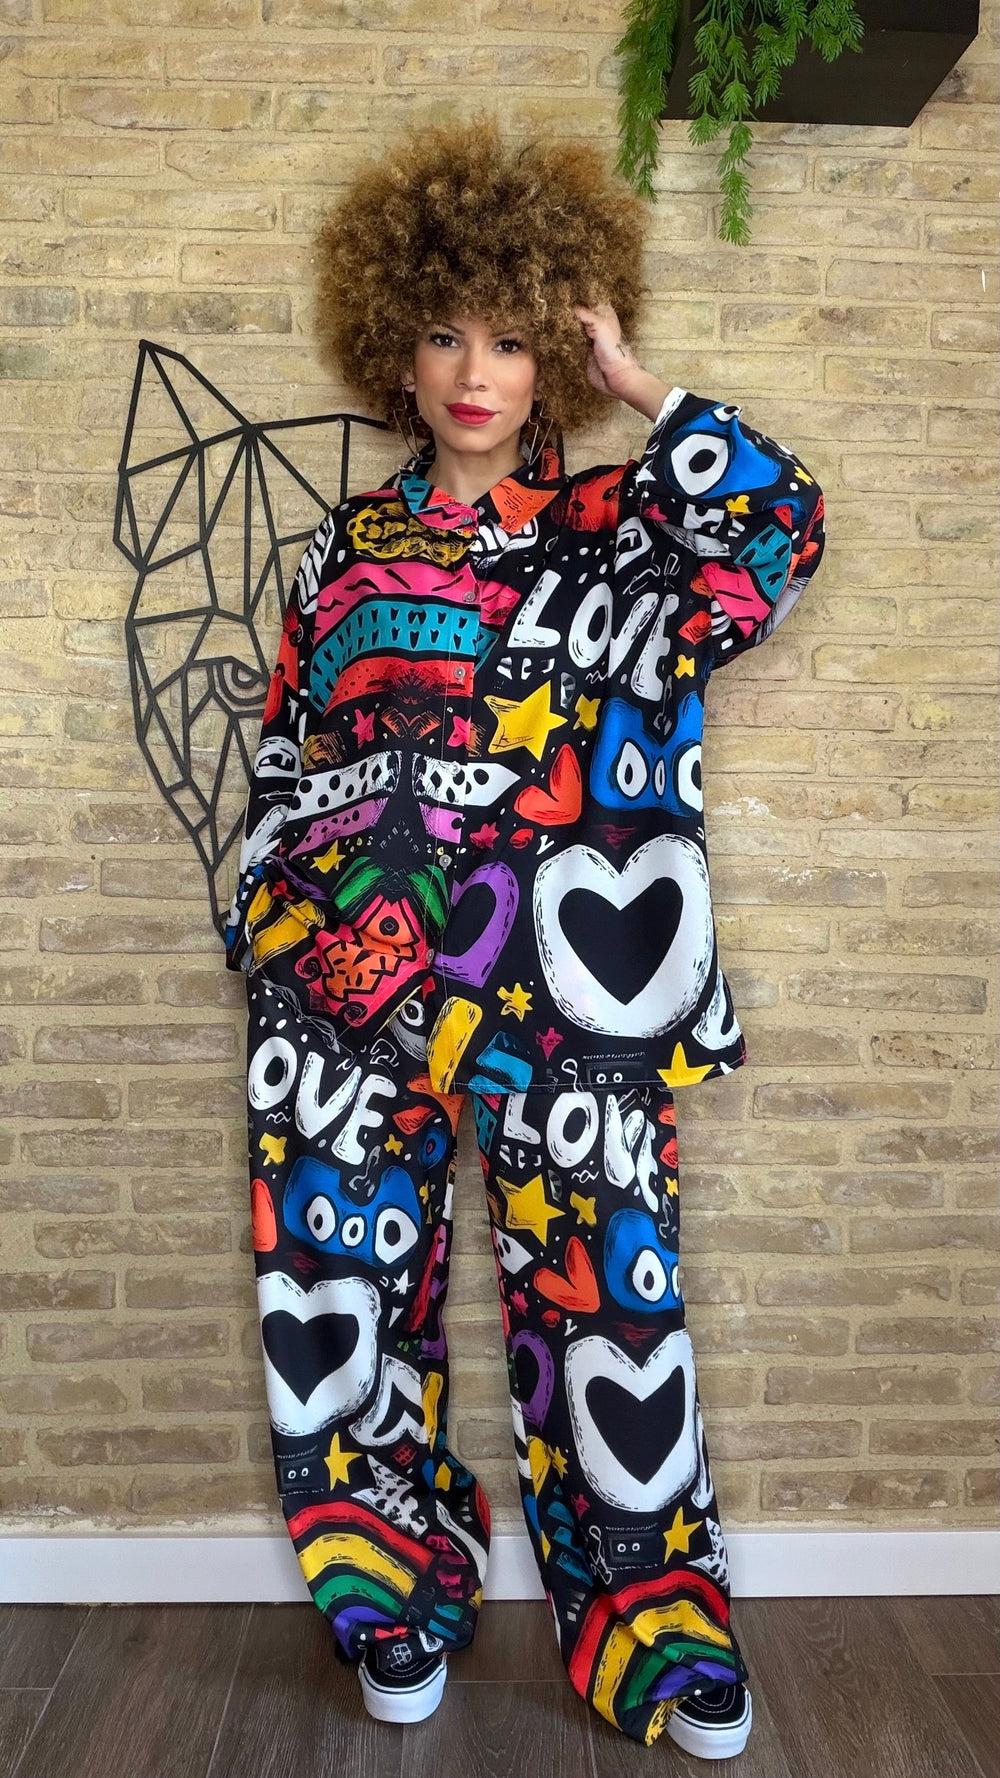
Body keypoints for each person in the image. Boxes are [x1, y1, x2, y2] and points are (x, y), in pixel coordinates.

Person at [223, 112, 825, 1756]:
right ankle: (392, 1599)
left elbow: (783, 532)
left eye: (509, 335)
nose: (474, 372)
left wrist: (642, 386)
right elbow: (287, 752)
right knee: (341, 1298)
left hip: (574, 1004)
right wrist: (277, 936)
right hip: (350, 1002)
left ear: (555, 340)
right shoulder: (346, 551)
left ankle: (655, 1626)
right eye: (443, 334)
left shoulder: (633, 528)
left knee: (610, 1310)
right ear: (396, 349)